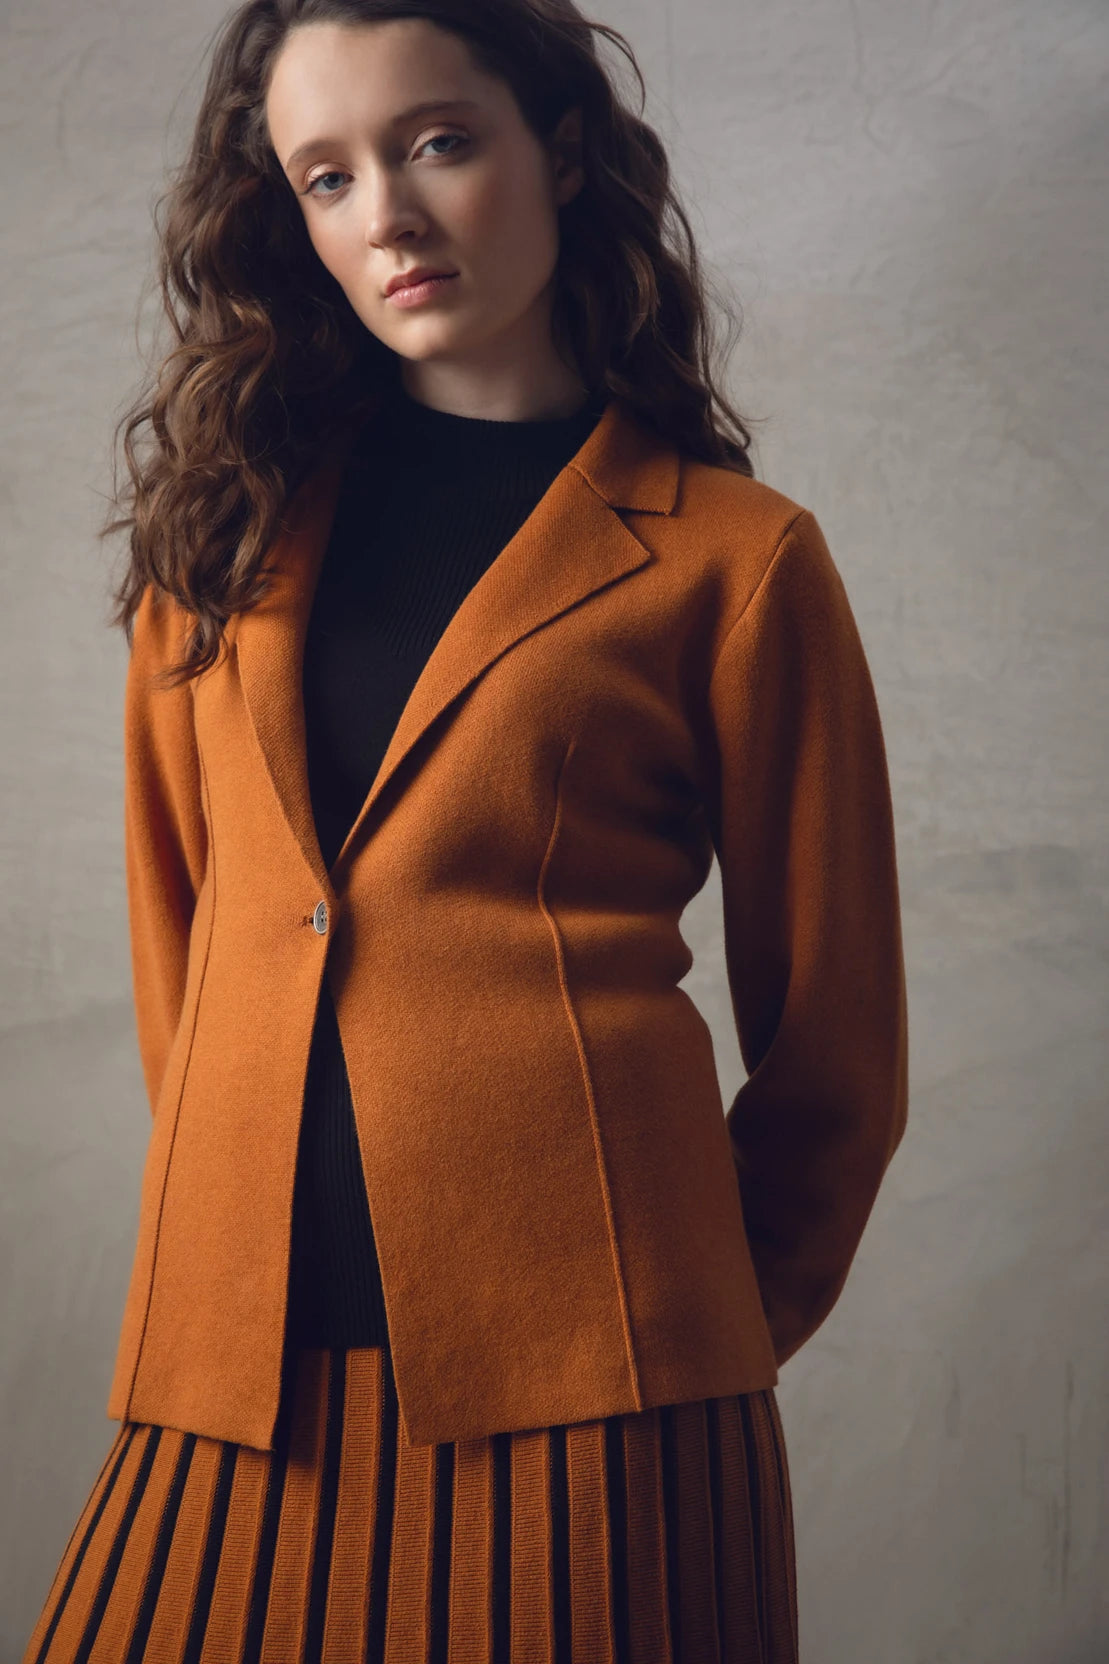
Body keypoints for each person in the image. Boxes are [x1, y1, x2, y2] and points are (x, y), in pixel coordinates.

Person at [22, 0, 909, 1659]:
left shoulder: (733, 557)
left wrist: (684, 1330)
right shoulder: (217, 537)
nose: (391, 216)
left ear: (559, 153)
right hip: (235, 1375)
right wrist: (236, 1233)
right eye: (327, 175)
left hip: (606, 1397)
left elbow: (837, 1049)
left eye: (438, 141)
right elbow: (189, 954)